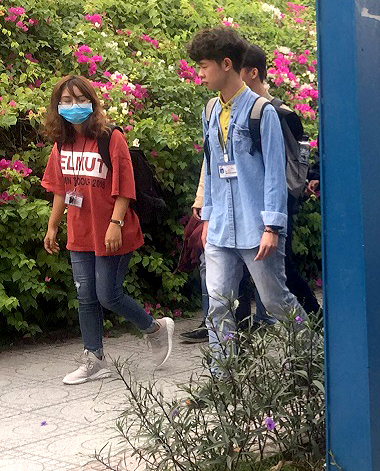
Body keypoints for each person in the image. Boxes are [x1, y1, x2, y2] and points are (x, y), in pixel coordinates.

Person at [40, 75, 174, 384]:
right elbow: (60, 189)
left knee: (108, 294)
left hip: (113, 230)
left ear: (92, 101)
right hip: (80, 232)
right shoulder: (62, 143)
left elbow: (125, 187)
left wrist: (115, 224)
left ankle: (155, 329)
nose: (73, 106)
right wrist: (52, 226)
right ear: (58, 106)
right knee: (85, 295)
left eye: (79, 99)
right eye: (67, 100)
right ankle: (94, 358)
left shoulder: (110, 138)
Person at [187, 27, 303, 359]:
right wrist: (207, 216)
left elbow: (275, 177)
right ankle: (221, 381)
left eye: (204, 66)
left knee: (275, 301)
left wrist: (272, 227)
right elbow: (211, 168)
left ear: (226, 64)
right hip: (221, 229)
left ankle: (312, 358)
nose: (200, 73)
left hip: (257, 230)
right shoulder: (210, 110)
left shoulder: (262, 112)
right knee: (217, 304)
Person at [239, 44, 320, 314]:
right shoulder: (238, 111)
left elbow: (298, 157)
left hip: (279, 202)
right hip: (249, 201)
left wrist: (298, 188)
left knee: (282, 270)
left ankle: (313, 316)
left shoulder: (278, 112)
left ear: (252, 73)